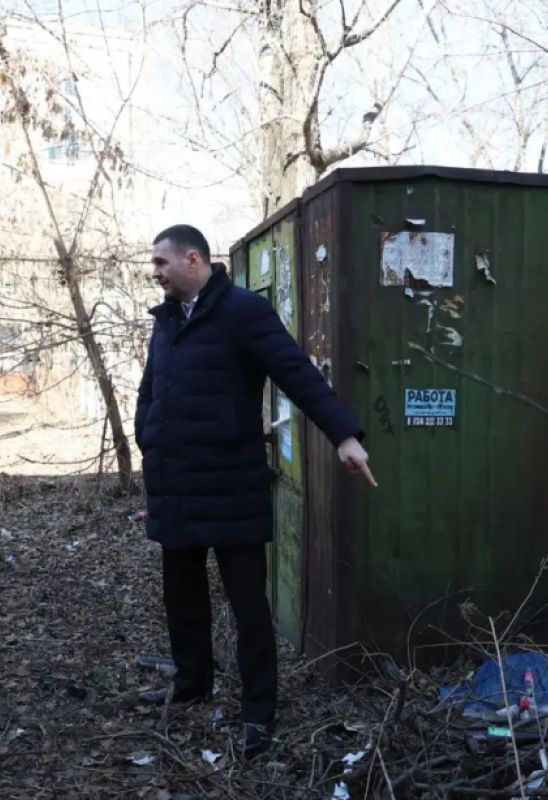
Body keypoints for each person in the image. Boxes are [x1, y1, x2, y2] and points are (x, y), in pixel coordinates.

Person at [134, 225, 375, 757]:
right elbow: (151, 386)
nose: (155, 273)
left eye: (160, 262)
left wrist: (345, 434)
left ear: (191, 259)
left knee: (249, 607)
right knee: (182, 596)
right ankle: (192, 682)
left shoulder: (243, 312)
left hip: (231, 486)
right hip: (175, 484)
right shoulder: (167, 320)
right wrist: (146, 436)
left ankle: (259, 713)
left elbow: (295, 372)